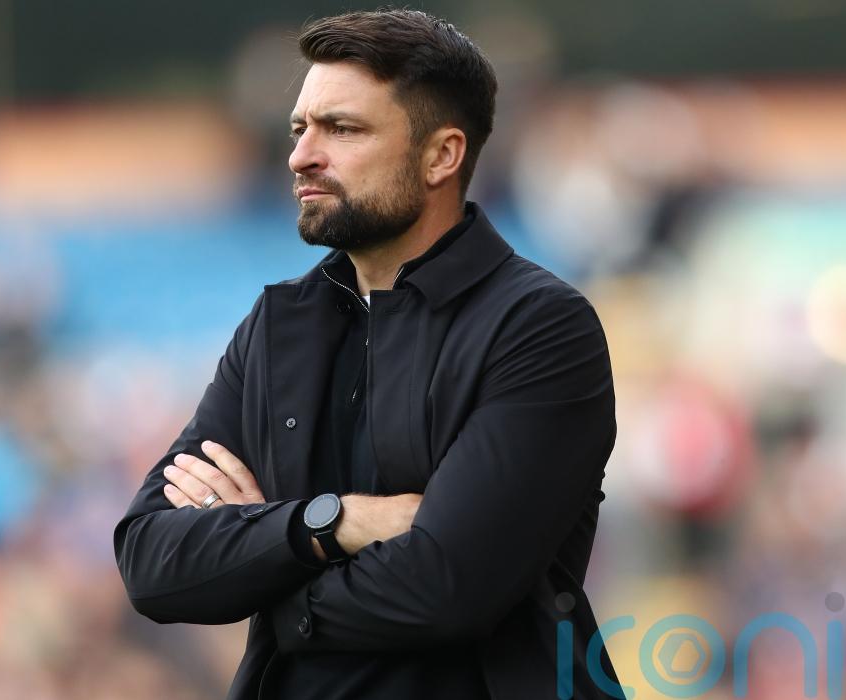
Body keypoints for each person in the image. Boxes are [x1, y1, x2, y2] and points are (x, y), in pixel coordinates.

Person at [114, 9, 622, 699]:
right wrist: (331, 524)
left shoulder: (539, 326)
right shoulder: (277, 326)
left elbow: (445, 590)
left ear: (442, 156)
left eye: (343, 129)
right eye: (300, 129)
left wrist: (265, 574)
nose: (301, 156)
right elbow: (150, 560)